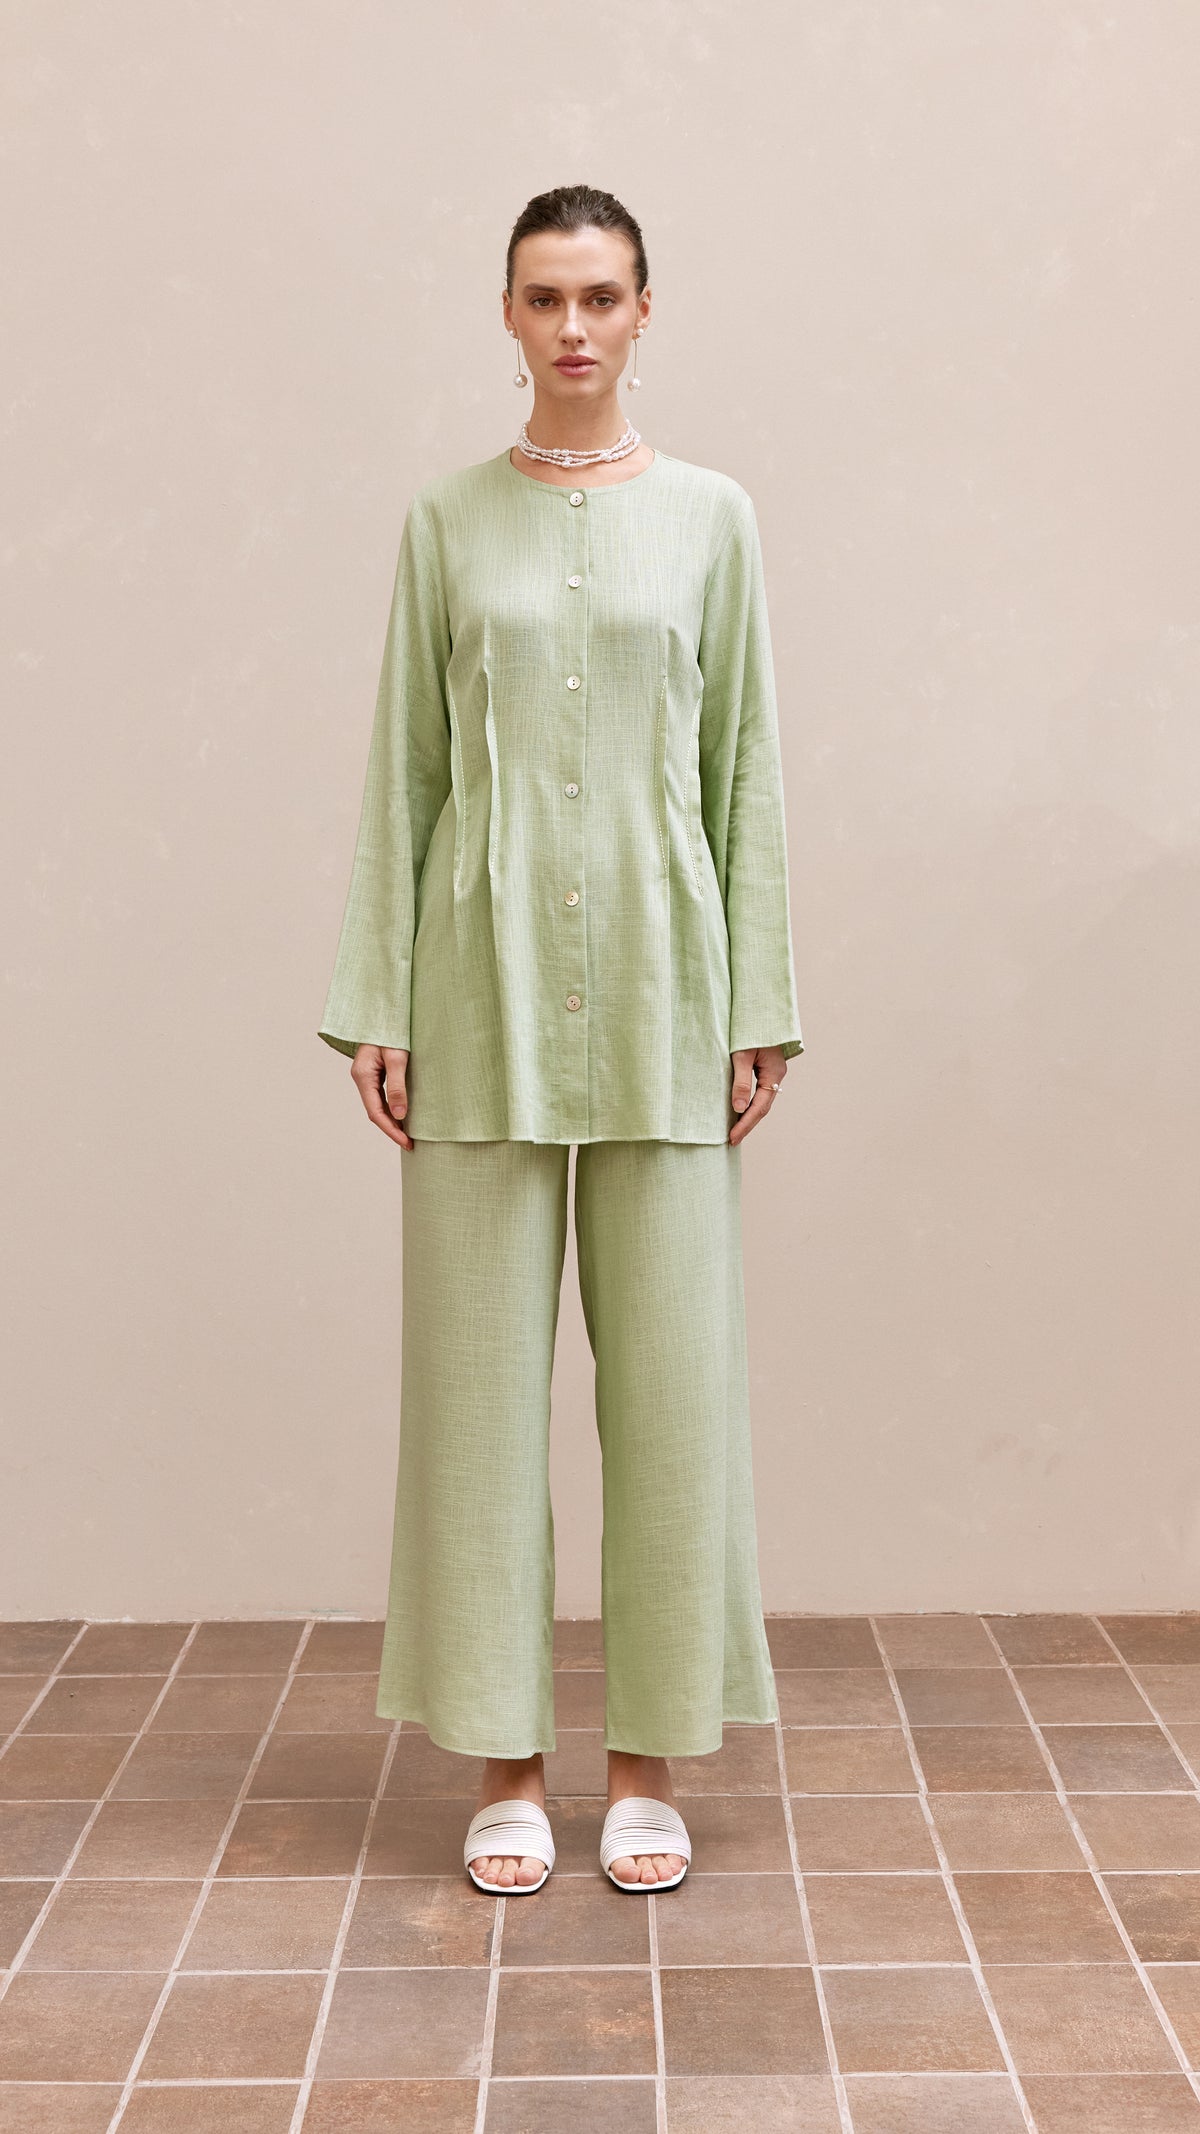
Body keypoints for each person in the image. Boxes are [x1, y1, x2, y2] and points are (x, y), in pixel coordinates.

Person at [318, 183, 804, 1896]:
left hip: (670, 991)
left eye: (602, 295)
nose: (575, 325)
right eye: (546, 296)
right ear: (509, 315)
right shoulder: (445, 522)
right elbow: (407, 767)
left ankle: (648, 1762)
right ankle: (507, 1767)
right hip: (480, 988)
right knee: (474, 1404)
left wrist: (760, 1002)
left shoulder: (715, 520)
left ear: (645, 310)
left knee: (673, 1398)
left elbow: (745, 764)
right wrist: (380, 998)